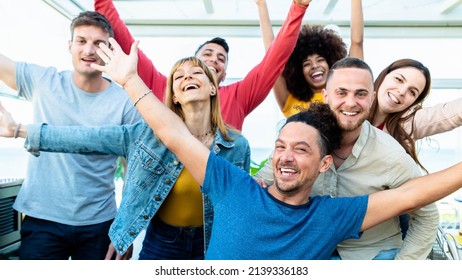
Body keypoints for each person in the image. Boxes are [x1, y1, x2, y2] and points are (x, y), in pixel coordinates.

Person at [68, 37, 462, 259]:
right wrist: (130, 82)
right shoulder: (233, 187)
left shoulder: (332, 216)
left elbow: (416, 193)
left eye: (301, 150)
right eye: (280, 147)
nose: (287, 156)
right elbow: (174, 135)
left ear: (325, 164)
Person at [0, 56, 250, 260]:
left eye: (196, 73)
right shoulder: (145, 136)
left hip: (211, 245)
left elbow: (242, 208)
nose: (187, 77)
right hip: (162, 244)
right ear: (174, 96)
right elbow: (86, 139)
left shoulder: (237, 146)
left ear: (213, 87)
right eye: (179, 75)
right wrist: (19, 130)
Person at [254, 57, 439, 260]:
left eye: (360, 94)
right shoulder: (299, 139)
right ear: (325, 96)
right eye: (341, 93)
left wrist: (403, 266)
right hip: (313, 252)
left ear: (372, 98)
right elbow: (262, 185)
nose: (350, 103)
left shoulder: (391, 155)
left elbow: (427, 216)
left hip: (374, 255)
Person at [0, 11, 141, 260]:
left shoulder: (125, 102)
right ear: (70, 45)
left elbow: (134, 170)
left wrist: (126, 229)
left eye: (98, 43)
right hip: (42, 220)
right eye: (81, 40)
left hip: (99, 224)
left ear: (110, 49)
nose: (89, 49)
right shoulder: (44, 81)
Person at [94, 0, 312, 131]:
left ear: (223, 76)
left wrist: (298, 7)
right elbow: (125, 40)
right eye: (207, 54)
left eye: (221, 59)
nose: (214, 59)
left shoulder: (239, 95)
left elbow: (275, 58)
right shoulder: (164, 87)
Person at [254, 0, 364, 117]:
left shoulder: (344, 97)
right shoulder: (289, 99)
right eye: (307, 64)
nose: (314, 66)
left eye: (320, 60)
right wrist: (261, 5)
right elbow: (272, 56)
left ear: (332, 64)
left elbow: (357, 43)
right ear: (299, 72)